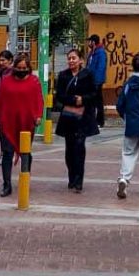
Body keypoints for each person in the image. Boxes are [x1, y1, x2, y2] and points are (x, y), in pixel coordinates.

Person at [0, 49, 44, 197]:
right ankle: (6, 184)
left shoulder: (34, 81)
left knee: (26, 153)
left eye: (24, 68)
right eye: (19, 68)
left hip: (26, 123)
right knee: (7, 153)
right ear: (14, 68)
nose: (21, 70)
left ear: (28, 68)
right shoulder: (6, 81)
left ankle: (25, 179)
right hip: (7, 123)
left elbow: (39, 100)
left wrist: (38, 116)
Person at [53, 47, 98, 192]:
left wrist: (83, 99)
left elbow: (94, 94)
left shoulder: (88, 75)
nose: (71, 61)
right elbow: (59, 96)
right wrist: (73, 100)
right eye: (69, 58)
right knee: (70, 149)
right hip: (68, 117)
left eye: (74, 58)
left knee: (79, 147)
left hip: (83, 118)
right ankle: (71, 177)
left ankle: (79, 180)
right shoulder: (63, 75)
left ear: (81, 60)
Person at [115, 50, 139, 199]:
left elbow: (120, 105)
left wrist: (126, 117)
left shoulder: (128, 84)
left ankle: (124, 178)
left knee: (128, 153)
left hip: (131, 124)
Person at [86, 34, 108, 130]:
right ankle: (94, 121)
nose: (88, 43)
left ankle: (99, 121)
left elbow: (101, 68)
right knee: (93, 101)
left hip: (96, 81)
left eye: (90, 41)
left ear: (93, 42)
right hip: (91, 80)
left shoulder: (100, 53)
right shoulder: (92, 52)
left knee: (97, 101)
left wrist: (96, 81)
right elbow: (89, 66)